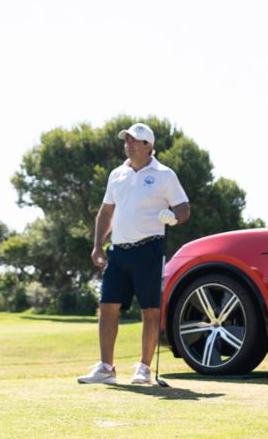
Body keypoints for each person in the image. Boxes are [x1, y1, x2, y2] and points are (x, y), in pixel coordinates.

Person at [80, 123, 191, 385]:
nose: (129, 144)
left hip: (149, 249)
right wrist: (97, 245)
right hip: (119, 251)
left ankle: (143, 368)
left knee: (150, 310)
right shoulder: (117, 174)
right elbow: (106, 212)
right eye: (127, 140)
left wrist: (174, 218)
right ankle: (106, 368)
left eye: (136, 140)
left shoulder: (164, 175)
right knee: (107, 306)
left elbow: (184, 208)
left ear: (149, 146)